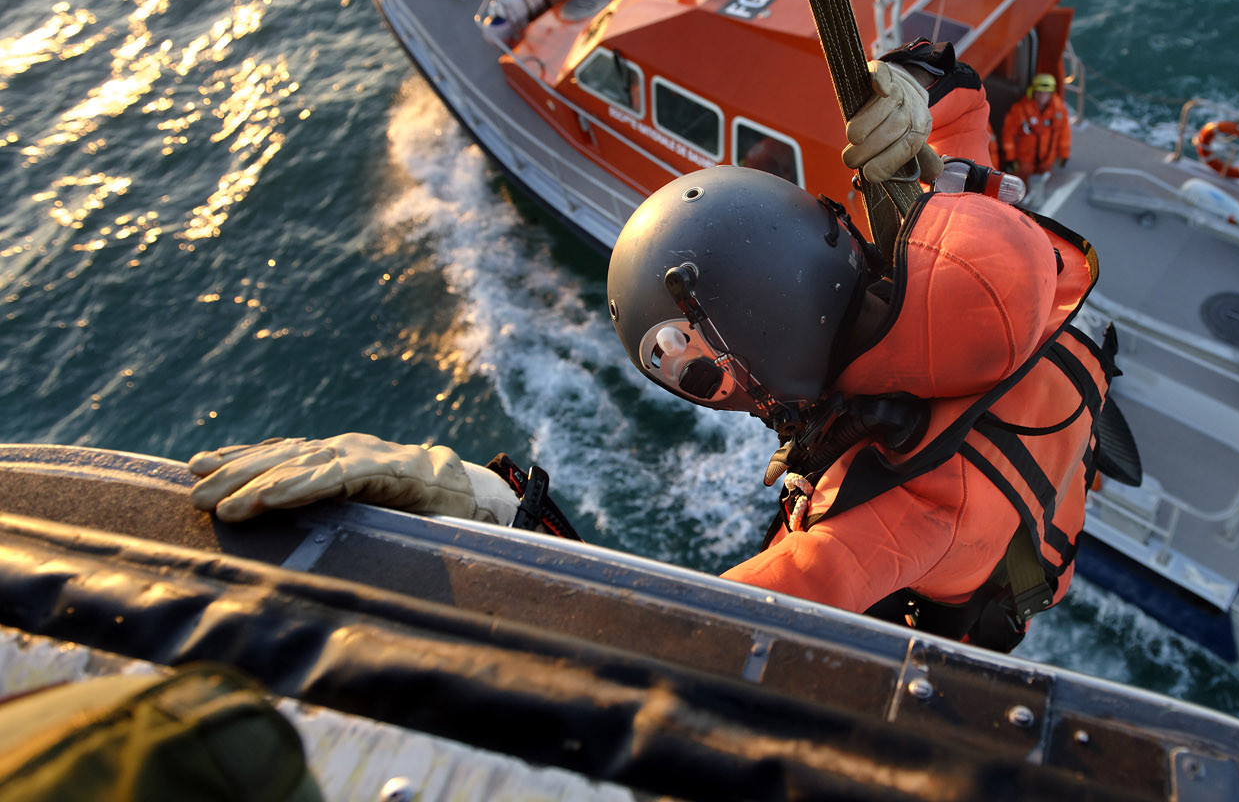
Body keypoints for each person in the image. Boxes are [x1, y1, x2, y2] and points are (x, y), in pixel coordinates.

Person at [189, 42, 1115, 652]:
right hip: (1043, 456)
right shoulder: (965, 252)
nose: (723, 393)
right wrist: (903, 90)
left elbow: (682, 635)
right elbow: (952, 99)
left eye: (705, 372)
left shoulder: (901, 510)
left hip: (952, 607)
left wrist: (495, 512)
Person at [999, 73, 1071, 193]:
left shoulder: (1059, 110)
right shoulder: (1020, 109)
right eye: (1039, 92)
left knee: (1044, 180)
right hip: (1025, 158)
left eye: (1046, 93)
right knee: (1018, 184)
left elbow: (1064, 132)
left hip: (1047, 157)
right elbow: (1008, 134)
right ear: (1033, 91)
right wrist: (1010, 158)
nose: (1042, 96)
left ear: (1051, 93)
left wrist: (1064, 154)